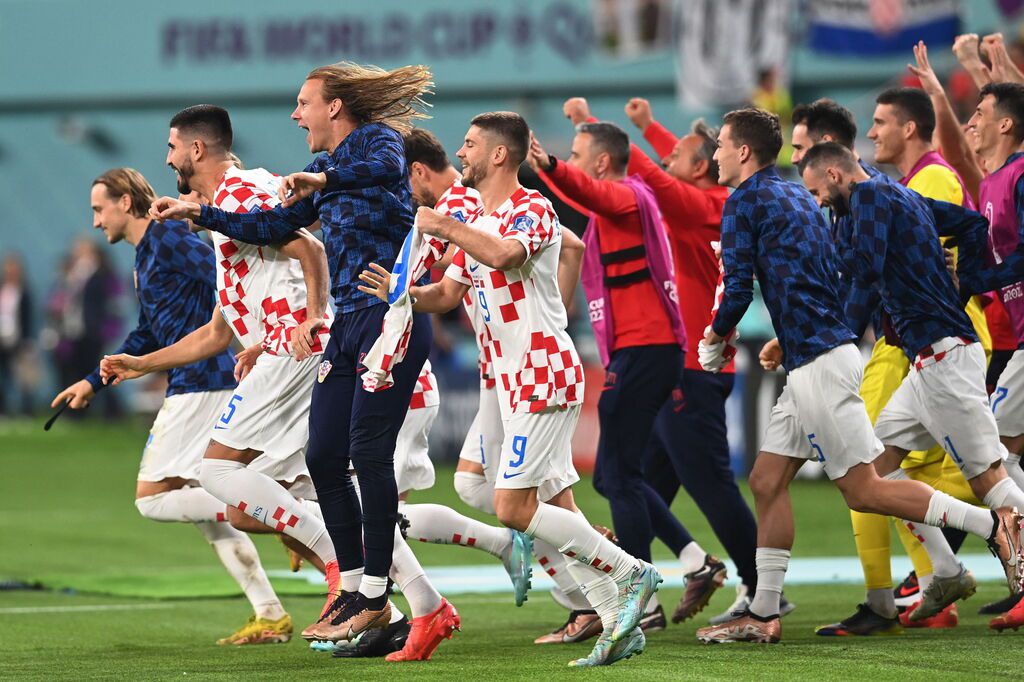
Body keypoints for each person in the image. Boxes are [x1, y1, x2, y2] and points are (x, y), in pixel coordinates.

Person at [693, 109, 1020, 645]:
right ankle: (766, 612)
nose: (716, 156)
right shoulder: (802, 197)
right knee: (767, 479)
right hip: (830, 354)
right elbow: (837, 274)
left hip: (862, 357)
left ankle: (993, 528)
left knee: (869, 488)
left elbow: (740, 288)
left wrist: (717, 338)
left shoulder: (749, 200)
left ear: (744, 152)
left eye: (722, 146)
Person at [149, 61, 437, 642]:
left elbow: (383, 168)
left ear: (334, 107)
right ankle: (355, 586)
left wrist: (322, 187)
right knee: (326, 459)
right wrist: (198, 214)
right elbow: (275, 225)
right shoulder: (322, 167)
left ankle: (376, 598)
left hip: (390, 318)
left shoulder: (375, 142)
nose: (294, 113)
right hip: (350, 325)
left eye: (303, 103)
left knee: (368, 459)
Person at [359, 111, 659, 667]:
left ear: (500, 154)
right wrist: (398, 295)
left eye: (470, 144)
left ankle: (629, 571)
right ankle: (614, 614)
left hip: (541, 371)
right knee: (534, 500)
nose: (462, 154)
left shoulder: (532, 208)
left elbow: (504, 256)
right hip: (507, 380)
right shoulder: (476, 216)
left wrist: (441, 226)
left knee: (512, 505)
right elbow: (447, 296)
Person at [99, 106, 341, 634]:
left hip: (294, 349)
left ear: (196, 150)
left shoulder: (239, 192)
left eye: (171, 148)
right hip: (273, 352)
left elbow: (311, 248)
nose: (166, 158)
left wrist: (315, 316)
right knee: (243, 510)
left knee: (215, 473)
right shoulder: (217, 212)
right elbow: (215, 332)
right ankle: (377, 585)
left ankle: (344, 570)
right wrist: (142, 364)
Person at [52, 168, 290, 645]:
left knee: (153, 498)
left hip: (203, 383)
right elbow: (149, 334)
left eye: (99, 209)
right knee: (203, 510)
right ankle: (270, 614)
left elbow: (234, 276)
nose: (97, 222)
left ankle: (277, 508)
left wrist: (260, 336)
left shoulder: (170, 240)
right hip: (196, 382)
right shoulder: (148, 253)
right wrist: (90, 382)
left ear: (124, 201)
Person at [802, 141, 1024, 610]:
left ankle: (989, 553)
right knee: (872, 476)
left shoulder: (870, 200)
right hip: (925, 364)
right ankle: (945, 571)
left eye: (818, 192)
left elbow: (863, 269)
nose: (819, 203)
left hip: (944, 356)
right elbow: (971, 224)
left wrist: (813, 257)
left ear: (836, 175)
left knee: (992, 482)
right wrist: (962, 280)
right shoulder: (898, 195)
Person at [528, 115, 689, 634]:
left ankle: (639, 594)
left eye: (576, 156)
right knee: (616, 475)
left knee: (620, 476)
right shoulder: (622, 204)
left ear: (600, 163)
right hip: (641, 351)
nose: (570, 164)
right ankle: (685, 564)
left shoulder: (627, 195)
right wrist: (554, 168)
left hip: (646, 350)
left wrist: (548, 166)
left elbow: (592, 196)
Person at [618, 96, 763, 625]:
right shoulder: (705, 200)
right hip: (680, 365)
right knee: (630, 483)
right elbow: (681, 163)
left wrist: (610, 140)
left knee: (710, 486)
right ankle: (646, 596)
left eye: (676, 151)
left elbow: (662, 179)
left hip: (693, 369)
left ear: (702, 165)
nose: (665, 156)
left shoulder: (704, 206)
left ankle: (762, 588)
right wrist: (648, 126)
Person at [959, 81, 1024, 628]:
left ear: (1006, 123)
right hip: (1020, 335)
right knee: (1002, 448)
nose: (971, 121)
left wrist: (983, 277)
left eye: (980, 113)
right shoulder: (990, 183)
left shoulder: (1021, 175)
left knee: (994, 448)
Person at [0, 254, 35, 416]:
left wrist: (27, 341)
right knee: (3, 376)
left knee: (24, 378)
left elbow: (27, 317)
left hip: (18, 339)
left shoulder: (24, 291)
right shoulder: (2, 290)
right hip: (2, 339)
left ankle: (27, 410)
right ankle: (4, 410)